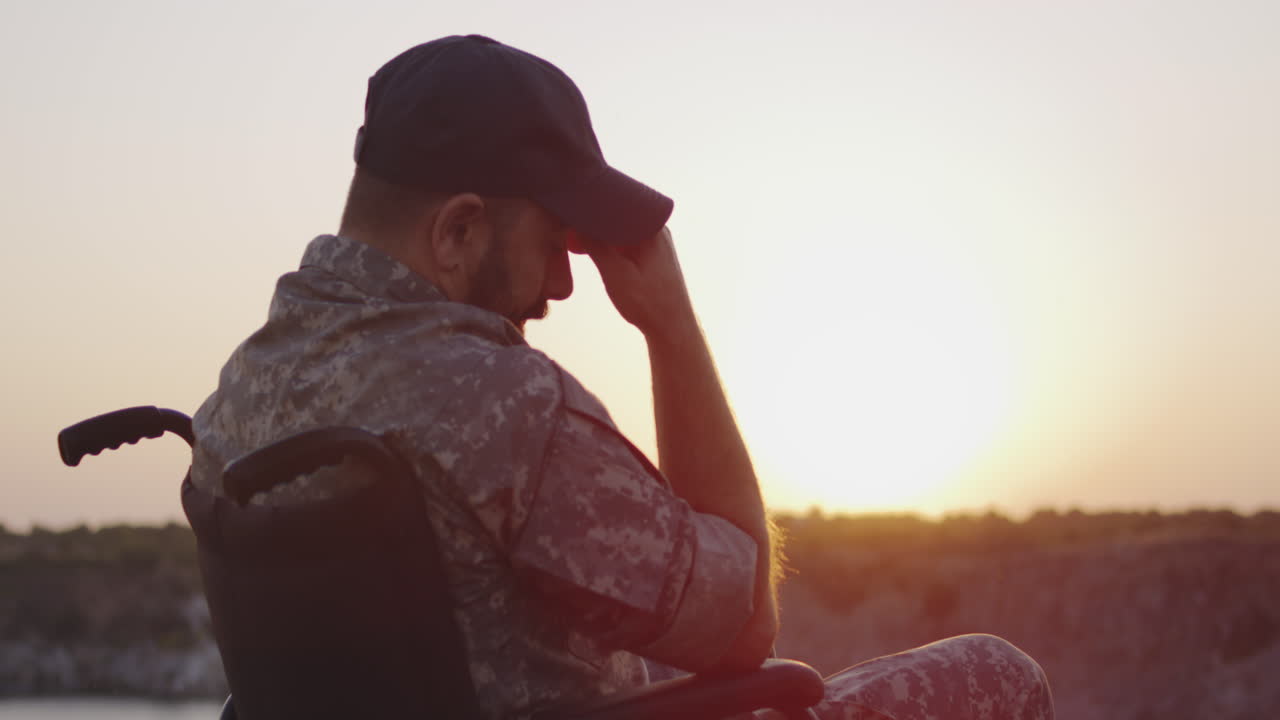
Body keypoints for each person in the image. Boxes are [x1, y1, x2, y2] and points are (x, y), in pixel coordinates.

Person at [190, 35, 1053, 720]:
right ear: (457, 232)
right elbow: (742, 627)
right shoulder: (500, 407)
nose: (564, 285)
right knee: (993, 676)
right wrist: (671, 329)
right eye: (552, 241)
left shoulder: (237, 399)